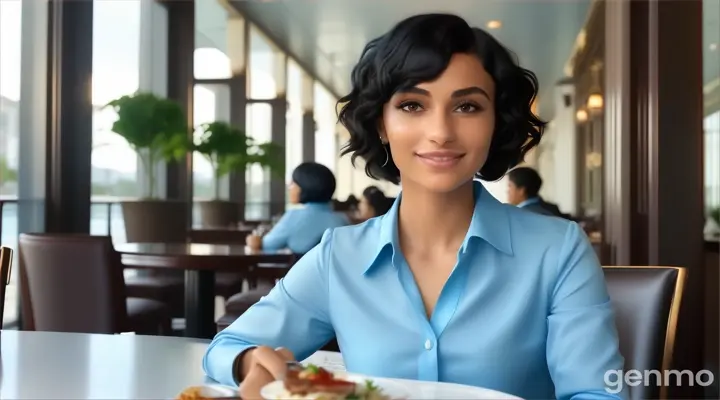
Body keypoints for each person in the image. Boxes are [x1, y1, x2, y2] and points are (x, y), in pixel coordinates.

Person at [205, 13, 625, 400]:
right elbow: (227, 347)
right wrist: (249, 364)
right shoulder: (341, 257)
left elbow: (597, 393)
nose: (440, 131)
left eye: (467, 106)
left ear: (496, 121)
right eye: (412, 105)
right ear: (380, 124)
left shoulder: (559, 250)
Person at [245, 162, 349, 254]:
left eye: (293, 183)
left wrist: (254, 240)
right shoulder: (343, 220)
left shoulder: (294, 217)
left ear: (304, 187)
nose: (289, 188)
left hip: (307, 275)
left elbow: (267, 244)